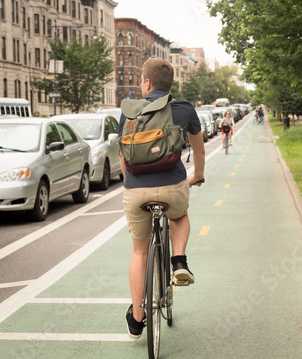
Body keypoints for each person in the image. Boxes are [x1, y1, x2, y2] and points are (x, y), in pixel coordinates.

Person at [119, 58, 205, 340]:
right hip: (172, 186)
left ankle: (137, 318)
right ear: (171, 85)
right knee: (179, 216)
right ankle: (179, 261)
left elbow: (123, 155)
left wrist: (128, 182)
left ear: (146, 82)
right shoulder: (183, 108)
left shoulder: (129, 111)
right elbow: (198, 147)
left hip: (136, 191)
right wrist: (198, 175)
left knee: (139, 251)